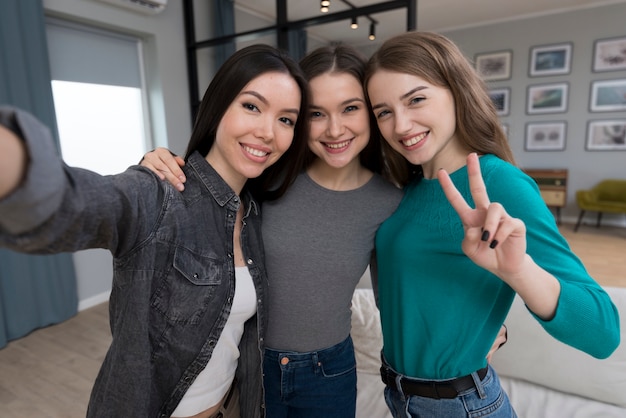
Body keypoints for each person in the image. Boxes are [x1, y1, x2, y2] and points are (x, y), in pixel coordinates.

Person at [141, 44, 508, 417]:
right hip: (252, 362)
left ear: (372, 112)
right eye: (317, 113)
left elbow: (400, 294)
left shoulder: (389, 201)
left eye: (351, 108)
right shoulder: (267, 179)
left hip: (328, 372)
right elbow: (204, 199)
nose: (335, 130)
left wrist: (482, 325)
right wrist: (156, 165)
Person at [0, 44, 310, 418]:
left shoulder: (257, 213)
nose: (267, 132)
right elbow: (75, 203)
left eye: (286, 120)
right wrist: (16, 164)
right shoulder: (157, 194)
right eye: (251, 106)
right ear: (218, 107)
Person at [363, 31, 620, 417]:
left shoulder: (501, 183)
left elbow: (603, 332)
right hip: (400, 395)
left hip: (459, 405)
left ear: (456, 91)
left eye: (416, 99)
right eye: (383, 111)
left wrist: (519, 271)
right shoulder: (409, 187)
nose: (400, 125)